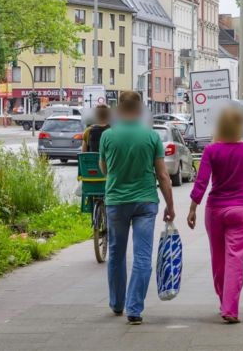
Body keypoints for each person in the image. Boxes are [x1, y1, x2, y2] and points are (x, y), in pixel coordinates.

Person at [99, 91, 175, 325]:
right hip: (145, 202)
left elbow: (104, 169)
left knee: (116, 253)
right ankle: (134, 309)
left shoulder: (107, 136)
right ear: (140, 109)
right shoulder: (151, 136)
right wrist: (170, 205)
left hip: (116, 202)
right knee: (142, 256)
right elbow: (163, 176)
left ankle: (116, 303)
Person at [187, 105, 243, 324]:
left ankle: (224, 301)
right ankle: (230, 308)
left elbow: (201, 182)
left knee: (218, 260)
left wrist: (193, 208)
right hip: (241, 211)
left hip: (215, 211)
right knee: (235, 260)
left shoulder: (211, 150)